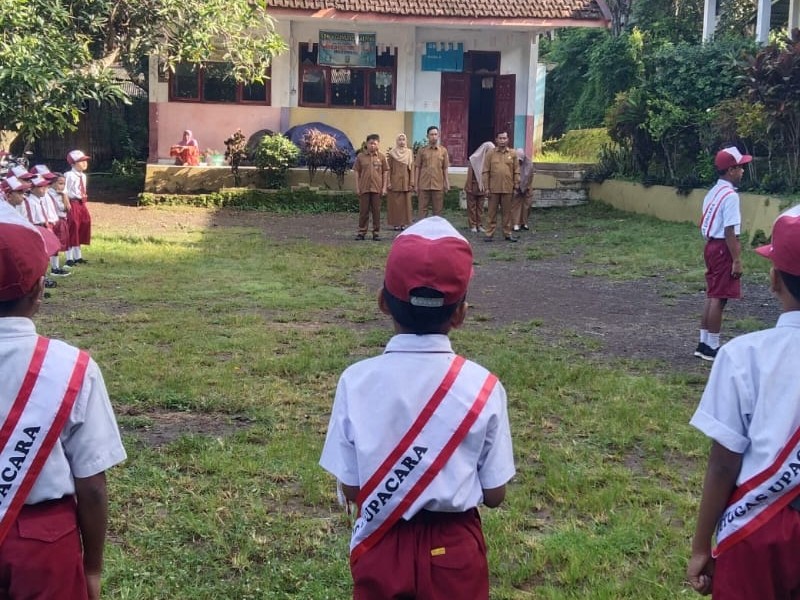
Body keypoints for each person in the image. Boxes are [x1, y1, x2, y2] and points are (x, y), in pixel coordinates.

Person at [320, 216, 515, 600]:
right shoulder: (484, 387)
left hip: (382, 543)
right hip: (455, 550)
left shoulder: (355, 381)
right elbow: (495, 494)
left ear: (382, 302)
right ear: (460, 314)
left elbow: (352, 487)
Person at [0, 220, 127, 600]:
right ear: (39, 290)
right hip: (44, 543)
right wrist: (93, 567)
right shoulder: (71, 367)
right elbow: (92, 485)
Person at [687, 205, 800, 599]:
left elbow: (723, 462)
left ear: (774, 280)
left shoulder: (743, 356)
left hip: (760, 530)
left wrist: (701, 547)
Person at [694, 146, 751, 362]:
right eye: (740, 167)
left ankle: (704, 342)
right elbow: (729, 231)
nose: (742, 171)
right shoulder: (731, 196)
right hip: (723, 247)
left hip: (711, 246)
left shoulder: (714, 192)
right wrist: (736, 260)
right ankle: (713, 347)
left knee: (712, 294)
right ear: (730, 170)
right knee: (720, 297)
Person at [482, 131, 519, 242]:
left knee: (507, 213)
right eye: (500, 138)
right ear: (496, 140)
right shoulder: (490, 153)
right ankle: (489, 234)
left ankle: (507, 233)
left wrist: (516, 185)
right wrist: (486, 187)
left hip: (508, 188)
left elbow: (516, 171)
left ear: (508, 139)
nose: (502, 140)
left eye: (504, 138)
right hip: (493, 188)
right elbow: (486, 171)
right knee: (491, 213)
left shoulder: (513, 154)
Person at [354, 134, 388, 241]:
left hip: (377, 188)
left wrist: (384, 188)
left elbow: (385, 172)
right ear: (366, 144)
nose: (372, 145)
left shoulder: (382, 157)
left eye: (375, 143)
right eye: (370, 143)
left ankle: (376, 233)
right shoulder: (360, 156)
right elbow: (356, 172)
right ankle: (361, 232)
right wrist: (357, 187)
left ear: (378, 144)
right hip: (364, 188)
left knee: (376, 212)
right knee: (363, 212)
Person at [64, 150, 93, 266]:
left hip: (81, 203)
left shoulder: (83, 176)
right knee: (73, 227)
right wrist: (66, 203)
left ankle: (78, 256)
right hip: (72, 203)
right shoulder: (69, 175)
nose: (85, 163)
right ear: (73, 163)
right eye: (81, 161)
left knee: (84, 224)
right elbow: (64, 191)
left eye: (85, 160)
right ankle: (69, 258)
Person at [414, 126, 450, 219]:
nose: (434, 137)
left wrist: (446, 183)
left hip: (438, 185)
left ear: (438, 135)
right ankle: (422, 227)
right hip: (424, 185)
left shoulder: (443, 151)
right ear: (427, 136)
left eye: (435, 134)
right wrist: (416, 184)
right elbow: (417, 167)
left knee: (437, 211)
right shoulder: (422, 151)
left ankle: (436, 228)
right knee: (422, 210)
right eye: (431, 134)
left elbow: (445, 168)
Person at [386, 133, 414, 231]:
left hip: (406, 182)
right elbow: (388, 169)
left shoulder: (409, 152)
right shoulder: (392, 153)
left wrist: (411, 183)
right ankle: (396, 223)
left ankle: (403, 223)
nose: (401, 142)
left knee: (405, 204)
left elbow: (412, 168)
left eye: (403, 140)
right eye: (400, 140)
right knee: (395, 204)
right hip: (395, 182)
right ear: (397, 141)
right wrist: (388, 182)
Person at [465, 142, 493, 234]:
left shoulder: (488, 161)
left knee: (480, 208)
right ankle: (472, 225)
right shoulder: (474, 159)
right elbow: (469, 175)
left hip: (483, 187)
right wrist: (469, 187)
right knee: (472, 207)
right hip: (473, 186)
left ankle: (479, 225)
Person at [512, 148, 535, 232]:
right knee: (515, 206)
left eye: (521, 159)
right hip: (515, 188)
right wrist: (515, 186)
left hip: (527, 188)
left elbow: (530, 176)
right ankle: (515, 224)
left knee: (527, 205)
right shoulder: (513, 162)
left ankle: (524, 223)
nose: (519, 161)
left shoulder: (529, 164)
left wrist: (525, 186)